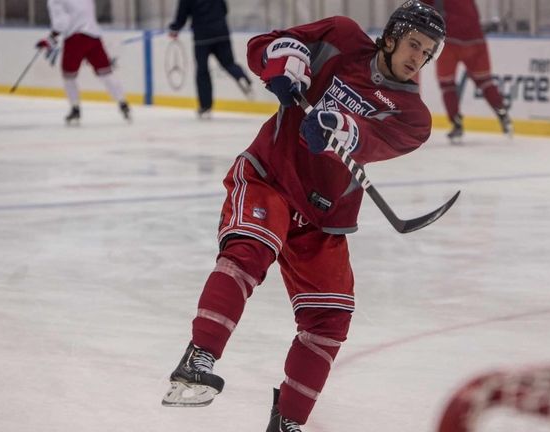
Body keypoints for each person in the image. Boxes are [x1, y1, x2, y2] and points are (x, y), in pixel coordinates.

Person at [161, 2, 445, 431]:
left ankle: (288, 423)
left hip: (323, 213)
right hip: (270, 176)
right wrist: (282, 62)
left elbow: (369, 141)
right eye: (413, 45)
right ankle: (199, 357)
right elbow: (262, 47)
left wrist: (342, 127)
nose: (417, 58)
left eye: (426, 53)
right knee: (250, 250)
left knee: (330, 319)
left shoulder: (413, 116)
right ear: (390, 37)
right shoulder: (342, 37)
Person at [424, 0, 512, 143]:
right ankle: (502, 112)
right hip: (475, 37)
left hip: (450, 38)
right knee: (484, 80)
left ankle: (456, 123)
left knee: (447, 84)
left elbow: (423, 8)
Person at [35, 0, 131, 125]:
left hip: (75, 39)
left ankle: (75, 108)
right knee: (106, 73)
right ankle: (123, 103)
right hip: (94, 36)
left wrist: (50, 39)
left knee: (69, 76)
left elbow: (61, 24)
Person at [168, 0, 253, 119]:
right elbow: (225, 9)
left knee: (202, 71)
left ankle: (205, 106)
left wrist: (174, 28)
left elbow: (182, 14)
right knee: (229, 63)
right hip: (221, 31)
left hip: (202, 36)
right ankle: (241, 76)